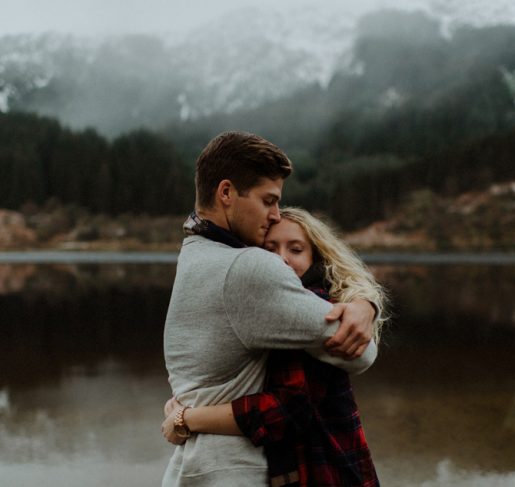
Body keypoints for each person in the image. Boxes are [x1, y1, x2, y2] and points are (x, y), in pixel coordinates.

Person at [162, 132, 380, 486]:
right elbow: (361, 352)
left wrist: (365, 301)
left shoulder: (192, 255)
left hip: (191, 465)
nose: (275, 214)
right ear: (227, 193)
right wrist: (362, 305)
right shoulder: (248, 267)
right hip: (233, 471)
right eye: (268, 201)